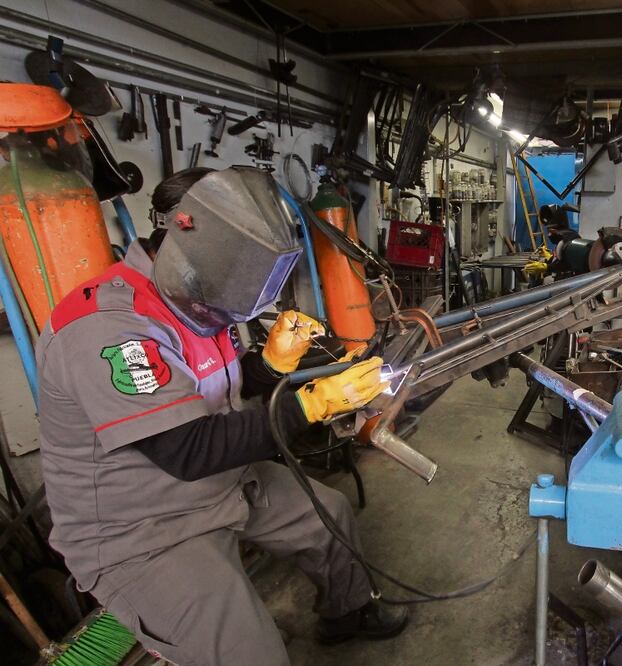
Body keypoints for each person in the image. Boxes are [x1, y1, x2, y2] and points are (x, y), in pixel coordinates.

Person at [35, 167, 407, 666]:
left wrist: (268, 366)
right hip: (141, 527)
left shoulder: (196, 297)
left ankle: (348, 612)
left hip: (221, 481)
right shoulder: (109, 326)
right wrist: (311, 404)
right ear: (181, 234)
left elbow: (214, 392)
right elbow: (188, 448)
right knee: (250, 655)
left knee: (329, 514)